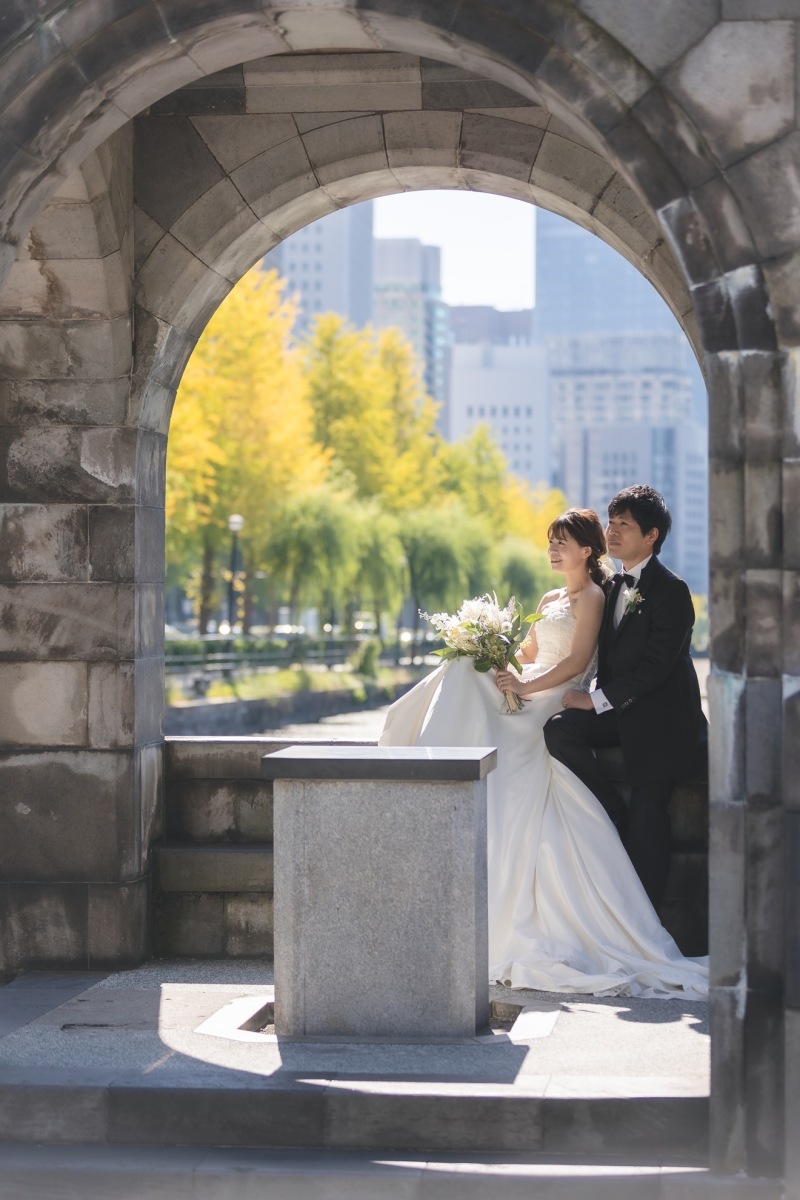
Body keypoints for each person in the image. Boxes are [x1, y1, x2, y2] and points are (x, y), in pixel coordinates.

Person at [379, 507, 707, 998]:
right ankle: (418, 757)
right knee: (467, 668)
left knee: (615, 787)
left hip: (590, 702)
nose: (553, 550)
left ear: (588, 549)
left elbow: (585, 662)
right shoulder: (566, 593)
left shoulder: (613, 593)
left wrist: (541, 685)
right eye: (550, 542)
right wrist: (493, 654)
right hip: (548, 689)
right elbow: (531, 653)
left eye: (562, 542)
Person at [543, 485, 707, 910]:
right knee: (560, 731)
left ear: (651, 535)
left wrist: (595, 700)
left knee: (650, 817)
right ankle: (612, 811)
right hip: (620, 712)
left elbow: (655, 669)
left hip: (662, 723)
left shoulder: (672, 590)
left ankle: (647, 922)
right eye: (611, 523)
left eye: (624, 525)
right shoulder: (612, 586)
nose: (612, 532)